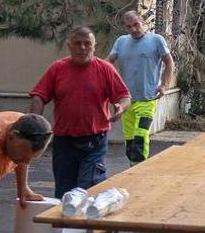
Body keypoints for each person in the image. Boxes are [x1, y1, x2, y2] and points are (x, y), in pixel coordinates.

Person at [30, 26, 130, 197]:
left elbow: (124, 96)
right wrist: (34, 123)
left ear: (94, 46)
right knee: (64, 192)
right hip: (64, 142)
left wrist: (121, 107)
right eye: (78, 44)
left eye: (87, 44)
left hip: (94, 142)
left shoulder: (105, 69)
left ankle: (87, 223)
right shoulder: (57, 69)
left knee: (88, 187)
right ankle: (65, 224)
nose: (82, 48)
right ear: (69, 46)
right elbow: (39, 95)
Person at [108, 8, 175, 163]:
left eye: (136, 24)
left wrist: (164, 85)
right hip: (127, 100)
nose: (133, 29)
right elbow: (107, 63)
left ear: (143, 22)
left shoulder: (156, 40)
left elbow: (169, 62)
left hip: (148, 97)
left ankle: (139, 168)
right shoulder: (121, 41)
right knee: (130, 139)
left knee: (140, 134)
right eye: (129, 26)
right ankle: (134, 166)